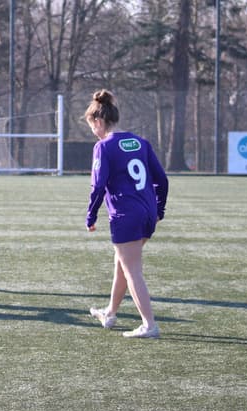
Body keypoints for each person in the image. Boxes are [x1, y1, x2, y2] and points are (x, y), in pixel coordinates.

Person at [84, 89, 169, 338]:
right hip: (147, 211)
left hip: (126, 215)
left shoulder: (104, 147)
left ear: (98, 122)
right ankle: (110, 313)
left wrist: (90, 216)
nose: (93, 132)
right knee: (121, 263)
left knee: (132, 269)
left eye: (92, 126)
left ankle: (149, 324)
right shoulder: (141, 142)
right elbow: (161, 179)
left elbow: (98, 186)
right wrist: (159, 209)